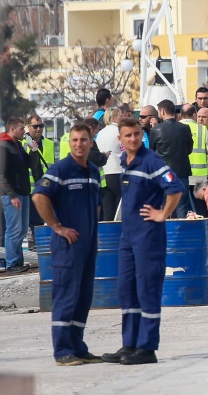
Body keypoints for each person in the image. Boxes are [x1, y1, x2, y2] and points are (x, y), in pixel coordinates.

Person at [101, 118, 184, 365]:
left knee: (147, 290)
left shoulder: (151, 160)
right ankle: (130, 344)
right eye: (128, 135)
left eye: (137, 134)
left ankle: (147, 348)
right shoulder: (126, 162)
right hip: (128, 238)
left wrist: (162, 214)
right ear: (121, 140)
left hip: (148, 237)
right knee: (127, 290)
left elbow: (175, 188)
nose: (134, 139)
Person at [31, 123, 103, 366]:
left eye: (83, 140)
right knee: (66, 296)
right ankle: (62, 351)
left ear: (91, 143)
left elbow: (97, 204)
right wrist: (56, 226)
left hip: (88, 243)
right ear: (69, 143)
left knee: (83, 296)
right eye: (75, 140)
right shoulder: (61, 169)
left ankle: (77, 347)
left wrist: (95, 230)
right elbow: (39, 196)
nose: (79, 144)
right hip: (67, 245)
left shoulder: (93, 171)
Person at [149, 100, 194, 218]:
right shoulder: (185, 128)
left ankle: (165, 235)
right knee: (182, 206)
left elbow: (152, 152)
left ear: (162, 111)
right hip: (181, 173)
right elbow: (189, 150)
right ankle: (181, 234)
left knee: (164, 207)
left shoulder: (156, 130)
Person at [1, 118, 32, 273]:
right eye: (21, 129)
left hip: (23, 192)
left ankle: (18, 261)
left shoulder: (18, 145)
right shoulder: (4, 146)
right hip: (12, 194)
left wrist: (33, 150)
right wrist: (11, 195)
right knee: (13, 229)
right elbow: (1, 175)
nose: (24, 131)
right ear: (12, 129)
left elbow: (27, 164)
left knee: (22, 229)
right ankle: (12, 263)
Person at [22, 114, 55, 249]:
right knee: (31, 221)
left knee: (42, 218)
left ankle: (40, 245)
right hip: (28, 188)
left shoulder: (49, 143)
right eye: (35, 126)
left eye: (40, 126)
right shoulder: (22, 144)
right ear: (28, 127)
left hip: (44, 187)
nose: (38, 129)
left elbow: (51, 165)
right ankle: (32, 245)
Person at [180, 104, 208, 217]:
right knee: (201, 210)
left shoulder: (175, 129)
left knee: (182, 210)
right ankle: (203, 233)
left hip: (180, 176)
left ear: (180, 116)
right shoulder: (202, 129)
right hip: (199, 178)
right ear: (194, 115)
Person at [95, 108, 124, 222]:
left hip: (104, 174)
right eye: (120, 115)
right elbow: (126, 151)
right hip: (118, 171)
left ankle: (108, 236)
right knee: (125, 205)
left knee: (108, 210)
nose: (123, 118)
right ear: (113, 118)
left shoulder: (100, 134)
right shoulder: (119, 132)